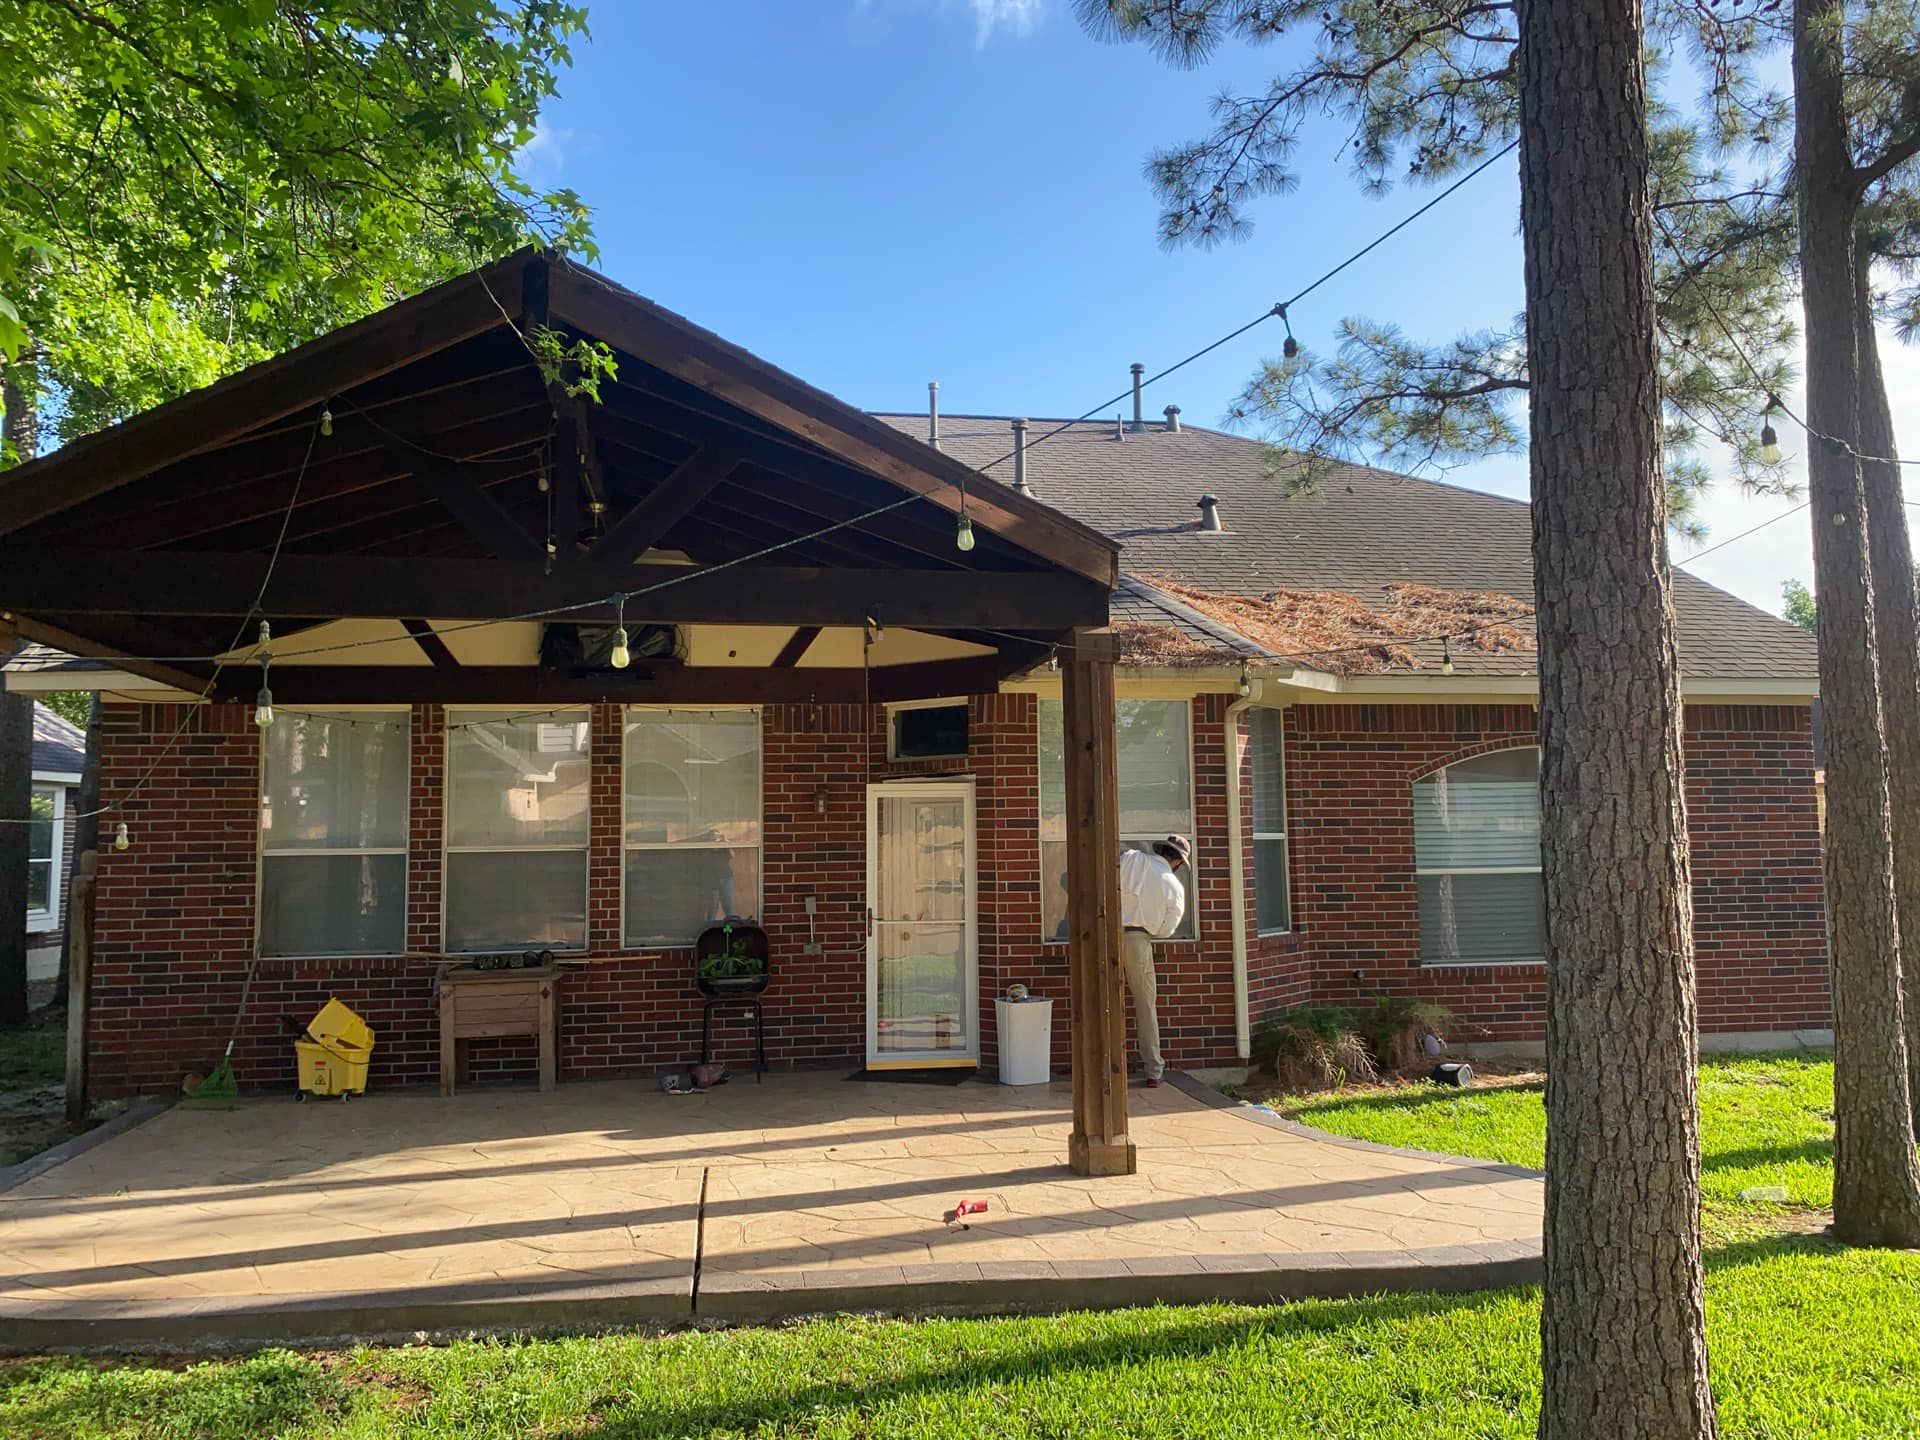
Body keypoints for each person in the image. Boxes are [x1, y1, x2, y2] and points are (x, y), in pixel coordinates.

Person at [1118, 834, 1190, 1086]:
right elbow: (1166, 930)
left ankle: (1101, 1065)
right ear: (1178, 861)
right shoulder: (1174, 885)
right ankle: (1153, 1070)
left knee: (1101, 1002)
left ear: (1160, 850)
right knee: (1145, 1006)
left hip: (1104, 935)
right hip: (1137, 940)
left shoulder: (1132, 858)